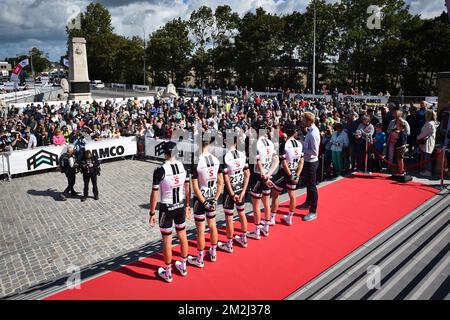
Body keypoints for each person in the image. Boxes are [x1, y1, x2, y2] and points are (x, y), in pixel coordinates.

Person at [149, 141, 191, 283]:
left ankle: (168, 272)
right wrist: (187, 205)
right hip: (179, 205)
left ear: (165, 153)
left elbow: (154, 193)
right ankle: (183, 266)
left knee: (167, 240)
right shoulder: (182, 166)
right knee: (182, 235)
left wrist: (152, 213)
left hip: (167, 208)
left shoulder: (160, 170)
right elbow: (187, 188)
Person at [188, 133, 224, 267]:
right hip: (212, 196)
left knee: (200, 230)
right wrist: (214, 200)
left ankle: (200, 258)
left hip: (200, 199)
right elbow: (221, 183)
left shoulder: (196, 161)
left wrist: (204, 203)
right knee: (213, 225)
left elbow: (196, 188)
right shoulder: (215, 159)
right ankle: (213, 253)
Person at [218, 136, 251, 252]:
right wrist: (243, 191)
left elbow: (225, 180)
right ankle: (244, 238)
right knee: (242, 213)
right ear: (236, 143)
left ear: (226, 142)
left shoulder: (225, 157)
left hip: (230, 191)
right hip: (240, 188)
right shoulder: (242, 155)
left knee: (229, 217)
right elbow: (247, 174)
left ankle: (229, 244)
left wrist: (232, 194)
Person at [247, 120, 279, 239]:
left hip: (258, 176)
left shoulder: (254, 143)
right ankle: (265, 228)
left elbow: (258, 162)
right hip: (267, 175)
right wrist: (269, 174)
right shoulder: (270, 142)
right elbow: (276, 160)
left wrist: (263, 174)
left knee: (256, 205)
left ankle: (257, 231)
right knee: (266, 203)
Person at [271, 123, 304, 226]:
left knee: (275, 194)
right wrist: (296, 175)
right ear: (295, 132)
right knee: (292, 195)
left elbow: (284, 163)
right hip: (294, 171)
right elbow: (301, 161)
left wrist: (290, 175)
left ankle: (272, 218)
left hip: (284, 173)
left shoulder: (284, 144)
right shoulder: (299, 144)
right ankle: (290, 217)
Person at [298, 112, 321, 221]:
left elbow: (314, 151)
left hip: (311, 162)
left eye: (303, 120)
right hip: (307, 161)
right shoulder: (310, 131)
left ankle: (313, 211)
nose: (302, 121)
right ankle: (308, 202)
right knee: (308, 183)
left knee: (312, 186)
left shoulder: (313, 133)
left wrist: (301, 150)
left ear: (308, 121)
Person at [417, 111, 438, 177]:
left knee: (427, 156)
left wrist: (418, 137)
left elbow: (424, 133)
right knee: (427, 156)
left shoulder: (429, 124)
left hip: (427, 142)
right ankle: (426, 169)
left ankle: (428, 171)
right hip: (428, 141)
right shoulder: (431, 123)